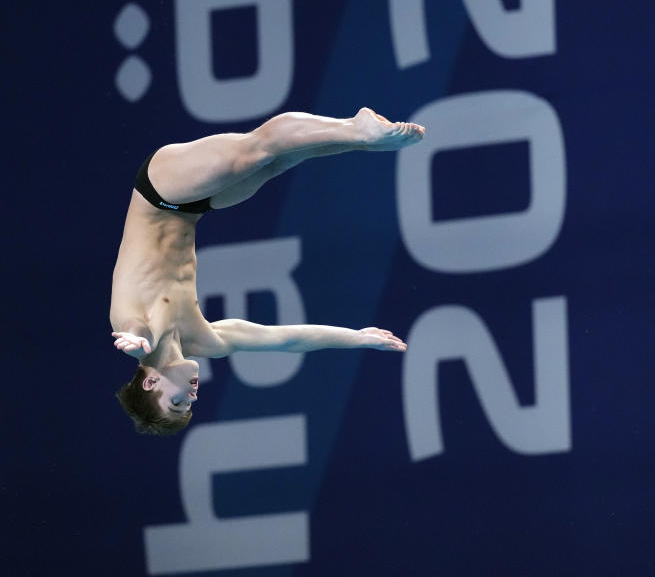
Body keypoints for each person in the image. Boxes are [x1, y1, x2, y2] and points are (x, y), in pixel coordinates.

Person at [111, 108, 425, 435]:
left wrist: (136, 337)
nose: (192, 395)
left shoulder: (139, 331)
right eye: (190, 404)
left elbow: (136, 330)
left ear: (150, 382)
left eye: (177, 402)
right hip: (192, 209)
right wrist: (357, 338)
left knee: (254, 151)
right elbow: (284, 339)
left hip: (160, 192)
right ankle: (361, 141)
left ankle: (359, 130)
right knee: (278, 161)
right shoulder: (204, 341)